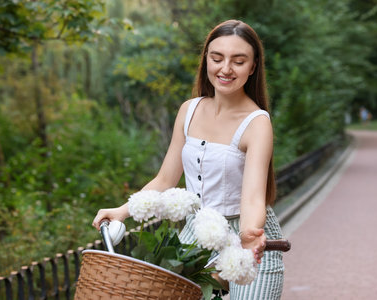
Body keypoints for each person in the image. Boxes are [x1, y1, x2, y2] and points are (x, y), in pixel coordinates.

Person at [92, 19, 284, 299]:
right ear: (206, 58)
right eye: (217, 58)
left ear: (253, 67)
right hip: (198, 234)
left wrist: (250, 237)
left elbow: (253, 197)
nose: (225, 69)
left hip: (248, 236)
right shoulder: (189, 110)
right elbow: (166, 179)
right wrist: (123, 210)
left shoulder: (257, 123)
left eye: (238, 61)